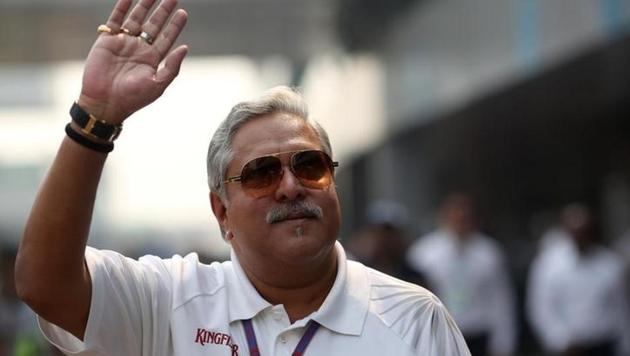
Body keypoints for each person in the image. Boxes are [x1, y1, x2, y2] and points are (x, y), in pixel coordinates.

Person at [14, 0, 471, 355]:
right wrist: (93, 119)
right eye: (261, 173)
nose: (290, 186)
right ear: (221, 211)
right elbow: (44, 285)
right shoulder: (168, 302)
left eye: (309, 166)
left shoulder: (414, 319)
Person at [406, 193, 516, 356]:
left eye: (466, 217)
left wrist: (503, 342)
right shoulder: (425, 253)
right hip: (441, 334)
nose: (461, 222)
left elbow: (500, 299)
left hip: (478, 333)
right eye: (456, 217)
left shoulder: (488, 253)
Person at [526, 204, 630, 356]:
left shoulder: (609, 264)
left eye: (584, 231)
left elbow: (620, 308)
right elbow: (541, 307)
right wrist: (561, 340)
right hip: (569, 347)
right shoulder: (549, 265)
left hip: (605, 342)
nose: (580, 237)